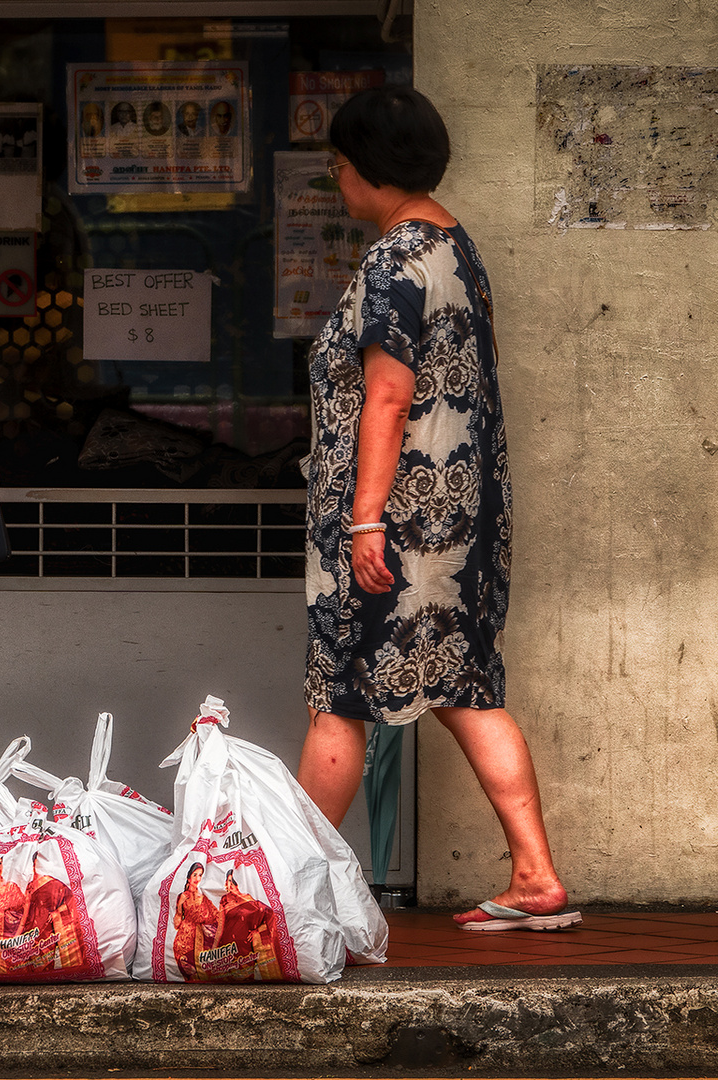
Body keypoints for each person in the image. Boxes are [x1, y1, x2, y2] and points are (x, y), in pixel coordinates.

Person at [295, 86, 580, 934]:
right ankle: (534, 874)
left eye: (340, 167)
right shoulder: (455, 247)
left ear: (365, 169)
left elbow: (388, 393)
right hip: (459, 520)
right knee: (464, 684)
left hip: (399, 522)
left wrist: (366, 519)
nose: (338, 182)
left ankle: (281, 885)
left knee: (341, 692)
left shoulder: (392, 260)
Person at [171, 862, 219, 975]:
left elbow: (216, 916)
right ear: (188, 877)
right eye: (195, 875)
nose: (197, 878)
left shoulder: (204, 898)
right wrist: (180, 905)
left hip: (203, 943)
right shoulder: (182, 897)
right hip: (184, 944)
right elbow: (176, 925)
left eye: (200, 875)